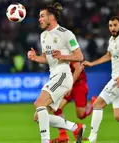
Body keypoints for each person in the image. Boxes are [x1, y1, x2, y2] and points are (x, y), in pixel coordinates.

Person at [27, 2, 85, 143]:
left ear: (51, 17)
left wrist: (63, 56)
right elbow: (48, 59)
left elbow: (79, 56)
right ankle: (75, 127)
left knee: (39, 103)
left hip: (63, 75)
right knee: (38, 116)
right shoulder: (43, 36)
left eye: (42, 16)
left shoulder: (66, 34)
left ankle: (45, 141)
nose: (39, 19)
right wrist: (36, 58)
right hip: (54, 75)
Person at [51, 62, 97, 143]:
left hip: (79, 84)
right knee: (57, 108)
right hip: (66, 84)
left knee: (81, 115)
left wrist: (70, 85)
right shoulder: (57, 54)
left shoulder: (71, 53)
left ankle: (94, 104)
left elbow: (78, 69)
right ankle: (63, 135)